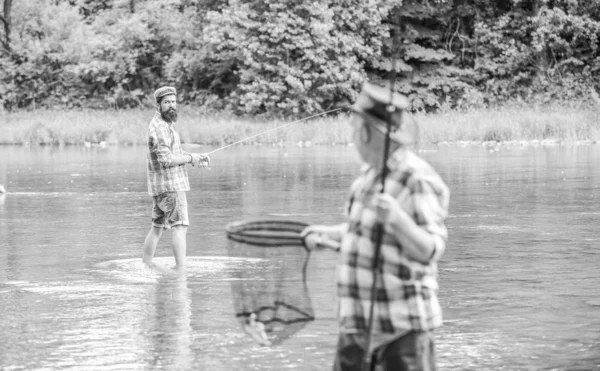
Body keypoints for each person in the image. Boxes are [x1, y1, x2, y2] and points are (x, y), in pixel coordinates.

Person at [302, 82, 450, 371]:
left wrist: (398, 220)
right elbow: (362, 234)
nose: (352, 137)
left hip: (402, 332)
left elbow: (431, 250)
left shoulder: (416, 179)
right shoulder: (365, 179)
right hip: (356, 330)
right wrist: (325, 235)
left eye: (353, 130)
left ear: (367, 132)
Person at [143, 86, 210, 272]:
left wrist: (195, 158)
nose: (171, 106)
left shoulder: (165, 124)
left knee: (157, 228)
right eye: (167, 102)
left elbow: (175, 153)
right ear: (158, 105)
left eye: (173, 102)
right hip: (171, 187)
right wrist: (190, 159)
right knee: (179, 228)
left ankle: (146, 265)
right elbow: (166, 160)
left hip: (160, 188)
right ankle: (181, 272)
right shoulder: (161, 127)